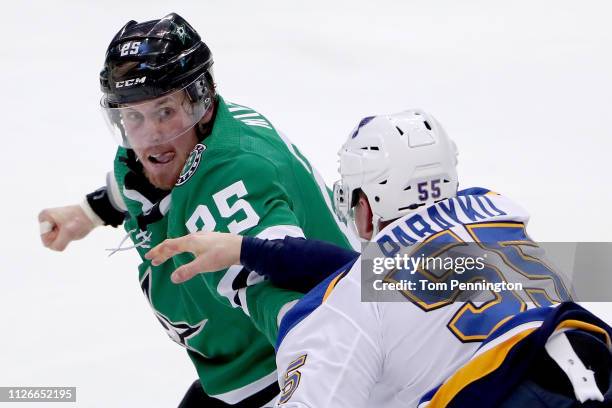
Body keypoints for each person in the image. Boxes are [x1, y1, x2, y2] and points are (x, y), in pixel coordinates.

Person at [146, 110, 612, 407]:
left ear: (366, 208)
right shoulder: (502, 218)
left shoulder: (353, 305)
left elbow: (363, 285)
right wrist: (249, 248)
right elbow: (388, 273)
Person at [38, 13, 356, 407]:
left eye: (165, 111)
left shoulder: (230, 185)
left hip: (280, 374)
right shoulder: (186, 144)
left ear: (201, 102)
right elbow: (143, 184)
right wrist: (90, 211)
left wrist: (318, 384)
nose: (151, 134)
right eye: (133, 116)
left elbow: (273, 292)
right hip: (243, 366)